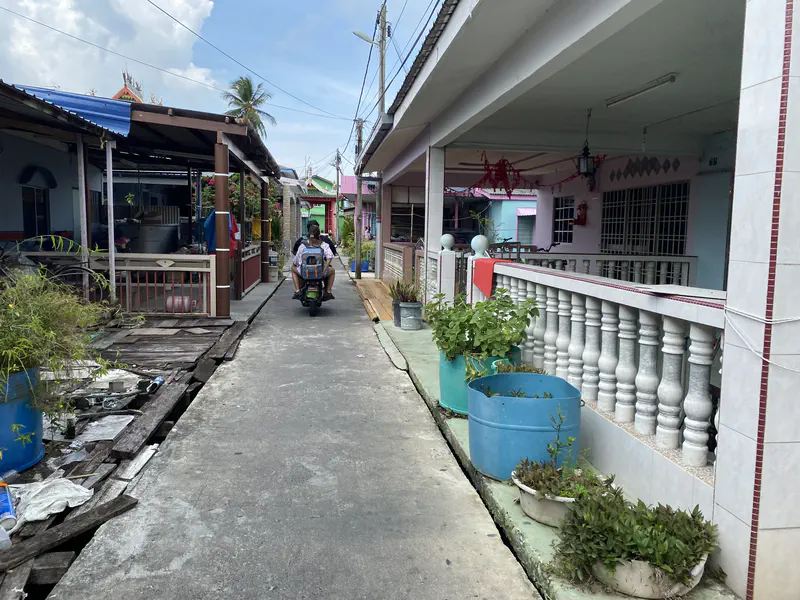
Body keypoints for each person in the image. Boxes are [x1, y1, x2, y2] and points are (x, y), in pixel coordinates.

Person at [292, 223, 335, 300]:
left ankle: (297, 290)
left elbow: (297, 260)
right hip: (320, 272)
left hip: (305, 272)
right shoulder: (323, 244)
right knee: (332, 271)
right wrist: (325, 269)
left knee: (293, 268)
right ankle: (328, 291)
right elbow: (330, 256)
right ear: (319, 235)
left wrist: (296, 264)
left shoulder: (303, 245)